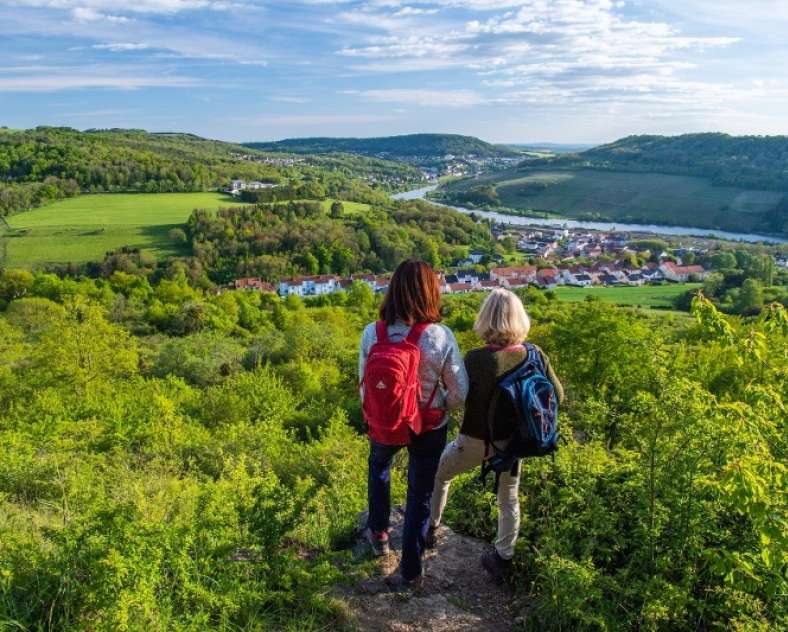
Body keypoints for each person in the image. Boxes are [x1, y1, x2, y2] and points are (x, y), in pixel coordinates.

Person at [428, 288, 564, 583]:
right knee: (509, 498)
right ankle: (503, 558)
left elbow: (459, 396)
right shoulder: (535, 354)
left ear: (485, 318)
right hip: (515, 444)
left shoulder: (477, 359)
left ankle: (430, 528)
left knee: (441, 475)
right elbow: (558, 396)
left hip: (474, 442)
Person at [359, 260, 468, 588]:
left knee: (379, 467)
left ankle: (379, 533)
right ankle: (411, 570)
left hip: (385, 420)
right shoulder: (439, 335)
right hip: (429, 426)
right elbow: (460, 391)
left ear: (393, 289)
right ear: (430, 292)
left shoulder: (372, 332)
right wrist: (438, 408)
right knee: (420, 491)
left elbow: (363, 385)